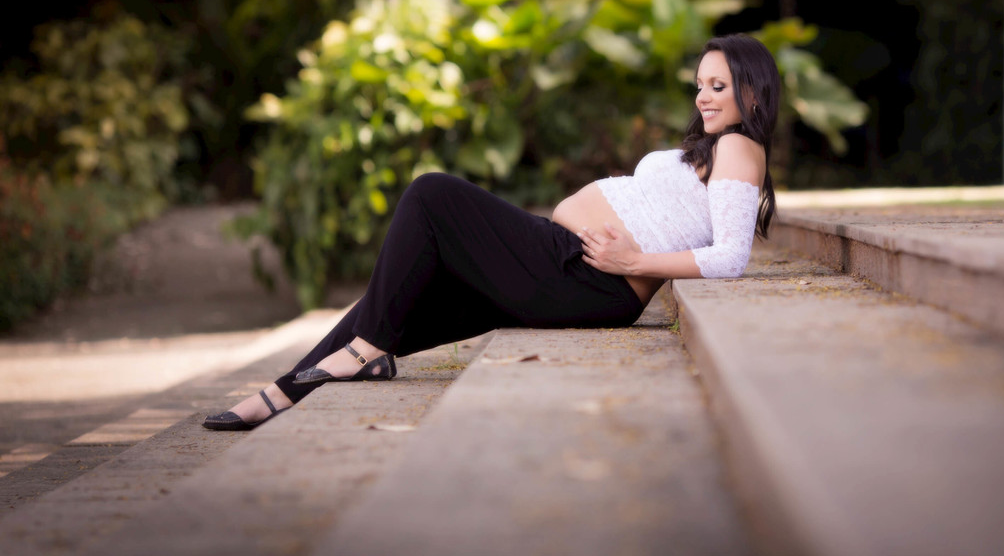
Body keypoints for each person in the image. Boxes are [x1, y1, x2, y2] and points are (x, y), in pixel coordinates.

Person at [203, 33, 780, 430]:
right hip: (564, 269)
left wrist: (633, 263)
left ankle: (362, 352)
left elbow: (731, 256)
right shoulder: (717, 147)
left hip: (584, 277)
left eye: (718, 87)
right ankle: (284, 392)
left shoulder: (739, 146)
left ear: (751, 92)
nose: (703, 96)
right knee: (403, 293)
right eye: (700, 85)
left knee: (432, 193)